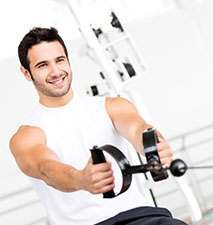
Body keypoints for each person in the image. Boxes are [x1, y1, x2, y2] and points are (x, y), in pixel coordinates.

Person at [10, 27, 187, 225]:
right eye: (43, 65)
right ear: (26, 73)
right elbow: (46, 168)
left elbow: (136, 128)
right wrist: (80, 179)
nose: (55, 71)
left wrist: (152, 146)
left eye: (60, 60)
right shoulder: (26, 136)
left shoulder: (112, 106)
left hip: (140, 218)